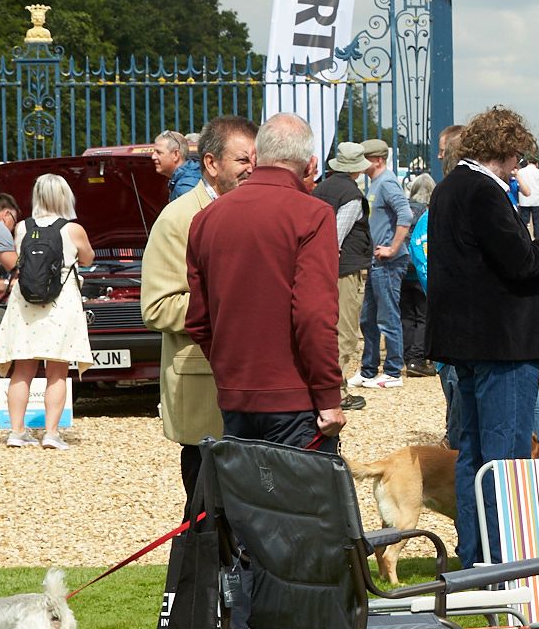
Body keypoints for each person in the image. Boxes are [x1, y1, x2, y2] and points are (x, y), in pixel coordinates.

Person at [426, 105, 539, 565]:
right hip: (500, 345)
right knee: (505, 461)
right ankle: (502, 562)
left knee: (472, 456)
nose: (520, 163)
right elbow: (521, 262)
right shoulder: (484, 193)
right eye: (518, 154)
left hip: (463, 342)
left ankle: (475, 559)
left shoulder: (448, 189)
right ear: (506, 150)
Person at [185, 113, 344, 451]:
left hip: (236, 396)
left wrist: (233, 374)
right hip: (295, 399)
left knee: (244, 502)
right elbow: (314, 315)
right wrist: (329, 396)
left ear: (256, 157)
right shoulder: (313, 215)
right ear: (311, 163)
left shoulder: (206, 219)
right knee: (298, 502)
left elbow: (199, 319)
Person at [141, 114, 258, 506]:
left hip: (256, 390)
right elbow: (157, 307)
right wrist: (229, 303)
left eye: (257, 160)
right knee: (208, 520)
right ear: (211, 163)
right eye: (243, 160)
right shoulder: (176, 220)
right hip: (204, 388)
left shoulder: (259, 212)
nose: (252, 169)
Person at [0, 173, 95, 448]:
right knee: (57, 371)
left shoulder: (22, 228)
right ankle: (51, 433)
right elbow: (87, 258)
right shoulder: (73, 230)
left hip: (25, 302)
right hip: (60, 303)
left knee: (22, 369)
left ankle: (16, 432)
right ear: (65, 197)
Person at [314, 142, 372, 408]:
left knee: (323, 329)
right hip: (343, 270)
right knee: (345, 332)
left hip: (318, 269)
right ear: (357, 170)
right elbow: (335, 235)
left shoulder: (322, 188)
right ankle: (335, 393)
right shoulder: (351, 194)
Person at [353, 138, 414, 390]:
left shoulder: (387, 182)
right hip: (379, 260)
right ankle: (368, 369)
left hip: (389, 262)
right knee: (368, 317)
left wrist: (393, 247)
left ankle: (392, 371)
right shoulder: (378, 182)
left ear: (377, 159)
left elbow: (406, 214)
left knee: (387, 316)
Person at [153, 130, 200, 199]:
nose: (153, 157)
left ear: (175, 155)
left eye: (159, 152)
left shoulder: (184, 187)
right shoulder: (190, 177)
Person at [515, 156, 539, 236]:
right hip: (536, 199)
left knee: (524, 221)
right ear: (536, 163)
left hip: (524, 199)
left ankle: (524, 236)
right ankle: (537, 237)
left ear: (528, 162)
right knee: (536, 222)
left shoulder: (521, 172)